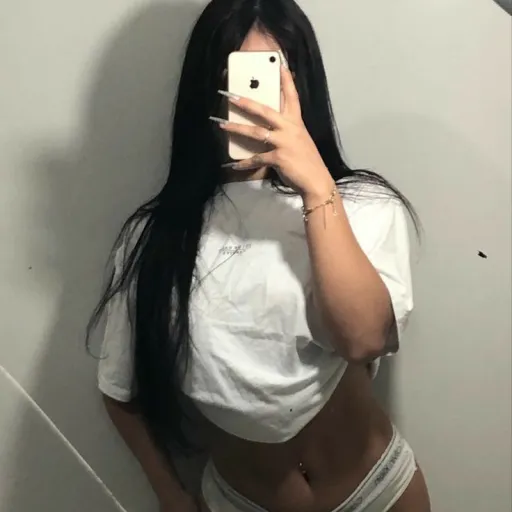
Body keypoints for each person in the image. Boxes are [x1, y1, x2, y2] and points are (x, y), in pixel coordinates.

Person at [88, 0, 432, 510]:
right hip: (239, 501)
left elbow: (363, 339)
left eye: (267, 83)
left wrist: (317, 189)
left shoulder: (363, 206)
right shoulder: (155, 237)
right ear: (204, 91)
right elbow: (120, 388)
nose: (251, 106)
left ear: (301, 87)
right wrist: (170, 495)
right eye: (233, 82)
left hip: (378, 491)